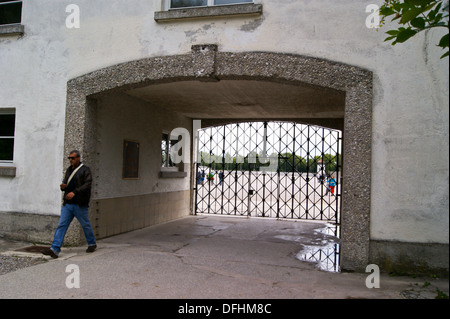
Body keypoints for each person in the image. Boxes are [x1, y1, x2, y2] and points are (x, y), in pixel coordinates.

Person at [42, 150, 97, 258]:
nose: (70, 160)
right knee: (62, 225)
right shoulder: (68, 170)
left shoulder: (85, 170)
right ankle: (55, 249)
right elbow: (66, 182)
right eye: (69, 158)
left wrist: (74, 192)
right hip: (68, 204)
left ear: (78, 158)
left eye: (72, 158)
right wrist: (63, 187)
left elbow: (88, 184)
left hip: (80, 204)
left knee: (85, 224)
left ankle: (92, 243)